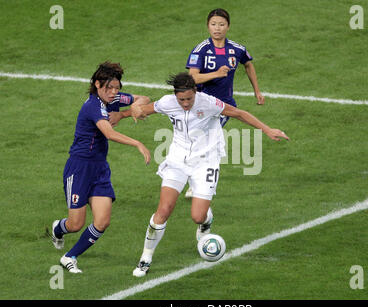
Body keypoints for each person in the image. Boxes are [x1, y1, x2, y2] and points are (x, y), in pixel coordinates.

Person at [126, 73, 289, 277]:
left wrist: (267, 129)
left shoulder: (209, 103)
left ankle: (206, 221)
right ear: (175, 96)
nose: (185, 103)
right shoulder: (167, 102)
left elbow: (238, 113)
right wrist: (127, 112)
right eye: (181, 100)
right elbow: (143, 110)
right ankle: (145, 258)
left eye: (189, 99)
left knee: (197, 216)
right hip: (177, 160)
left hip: (206, 161)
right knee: (164, 209)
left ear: (195, 93)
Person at [48, 61, 151, 274]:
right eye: (109, 88)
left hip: (100, 168)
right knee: (75, 224)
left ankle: (69, 257)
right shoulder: (92, 106)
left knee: (102, 221)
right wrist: (138, 143)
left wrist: (127, 110)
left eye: (117, 88)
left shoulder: (114, 97)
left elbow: (144, 99)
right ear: (97, 84)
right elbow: (109, 133)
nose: (114, 93)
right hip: (79, 168)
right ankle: (59, 228)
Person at [185, 8, 265, 197]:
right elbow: (192, 78)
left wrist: (257, 91)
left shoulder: (237, 49)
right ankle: (195, 180)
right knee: (198, 142)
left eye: (221, 24)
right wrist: (216, 74)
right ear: (207, 26)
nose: (217, 28)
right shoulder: (201, 50)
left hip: (224, 106)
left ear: (228, 26)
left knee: (206, 141)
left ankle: (197, 184)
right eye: (213, 24)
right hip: (202, 105)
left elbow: (248, 64)